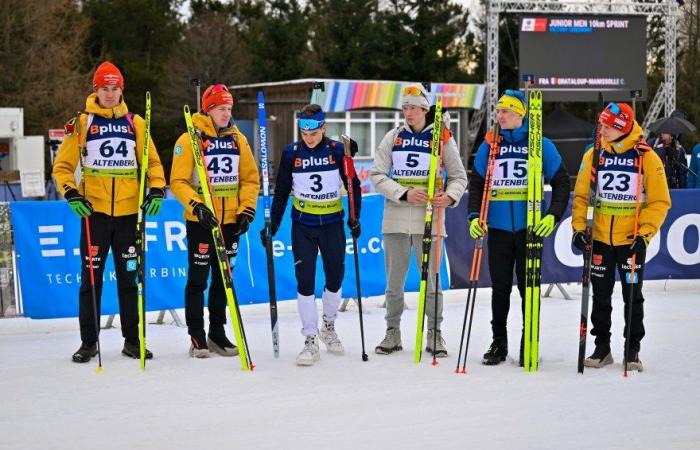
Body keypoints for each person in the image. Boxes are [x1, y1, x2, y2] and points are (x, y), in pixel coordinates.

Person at [53, 61, 166, 363]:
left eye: (115, 88)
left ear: (121, 90)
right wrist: (72, 193)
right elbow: (62, 168)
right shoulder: (82, 123)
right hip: (96, 215)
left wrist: (156, 189)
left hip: (129, 216)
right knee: (91, 281)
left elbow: (152, 163)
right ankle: (88, 342)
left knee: (130, 279)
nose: (111, 93)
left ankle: (132, 340)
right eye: (105, 88)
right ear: (96, 90)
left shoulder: (136, 123)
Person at [468, 89, 570, 366]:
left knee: (529, 288)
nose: (499, 115)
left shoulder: (539, 144)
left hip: (530, 229)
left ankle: (530, 341)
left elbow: (562, 181)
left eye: (506, 111)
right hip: (499, 229)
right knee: (500, 288)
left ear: (521, 114)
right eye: (498, 111)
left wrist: (553, 216)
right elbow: (476, 183)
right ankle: (498, 342)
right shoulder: (491, 145)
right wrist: (474, 216)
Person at [370, 84, 467, 358]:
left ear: (425, 109)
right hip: (396, 220)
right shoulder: (393, 136)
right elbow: (377, 175)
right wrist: (403, 193)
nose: (408, 113)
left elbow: (459, 177)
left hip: (431, 221)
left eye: (413, 108)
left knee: (433, 283)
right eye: (405, 108)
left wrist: (449, 197)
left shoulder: (442, 138)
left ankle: (435, 333)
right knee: (394, 283)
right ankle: (393, 332)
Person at [572, 102, 671, 372]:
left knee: (632, 296)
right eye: (601, 124)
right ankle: (602, 348)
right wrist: (579, 229)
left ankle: (632, 349)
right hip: (601, 237)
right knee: (600, 296)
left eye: (607, 125)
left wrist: (645, 234)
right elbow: (582, 196)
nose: (601, 129)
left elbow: (660, 201)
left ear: (621, 128)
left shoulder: (646, 157)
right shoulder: (594, 155)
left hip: (631, 239)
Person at [260, 104, 361, 366]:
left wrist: (355, 217)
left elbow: (354, 187)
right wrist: (273, 224)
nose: (309, 138)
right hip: (303, 226)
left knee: (335, 278)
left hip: (332, 225)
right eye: (305, 133)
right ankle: (310, 338)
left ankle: (328, 325)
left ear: (323, 128)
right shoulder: (291, 153)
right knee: (304, 281)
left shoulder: (337, 151)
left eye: (314, 133)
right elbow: (281, 192)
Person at [171, 84, 260, 358]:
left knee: (224, 280)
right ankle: (196, 335)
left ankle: (217, 334)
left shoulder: (238, 139)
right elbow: (178, 181)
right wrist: (196, 207)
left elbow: (249, 178)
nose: (226, 113)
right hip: (202, 221)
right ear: (208, 109)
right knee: (198, 280)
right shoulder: (189, 139)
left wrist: (247, 210)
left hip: (230, 221)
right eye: (221, 108)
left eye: (229, 108)